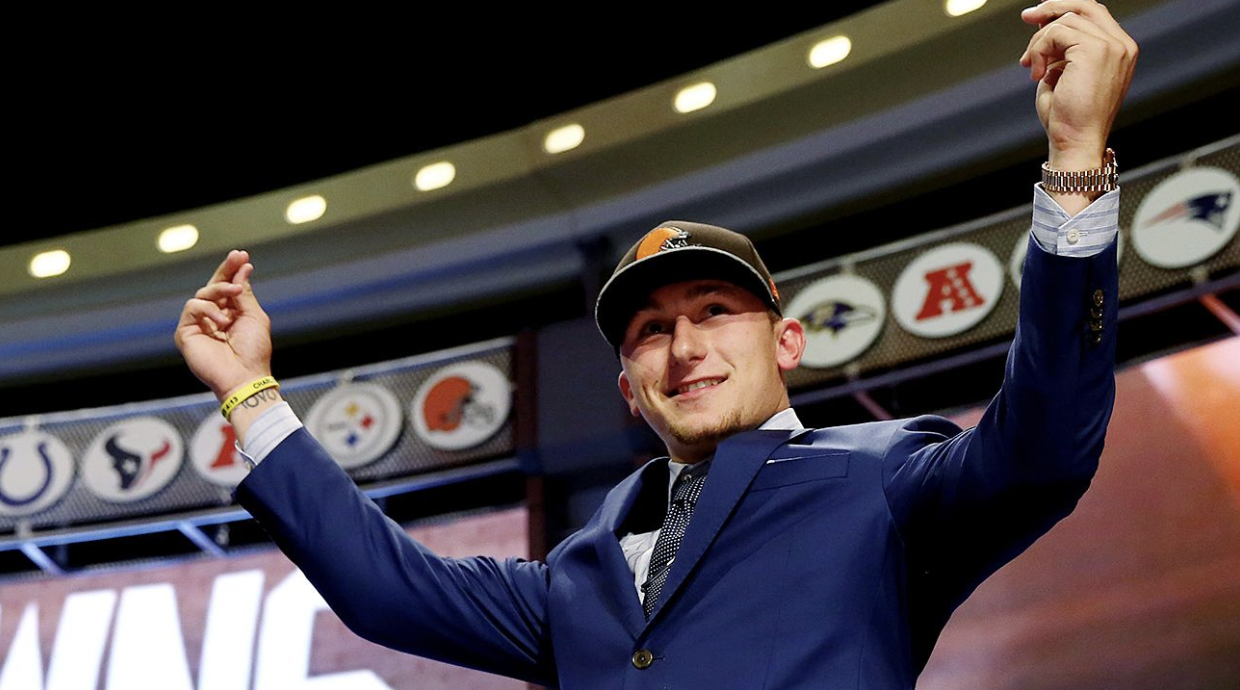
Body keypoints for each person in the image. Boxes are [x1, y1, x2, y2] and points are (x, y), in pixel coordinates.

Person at [174, 2, 1137, 687]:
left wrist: (1076, 164)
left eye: (714, 311)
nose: (684, 346)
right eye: (651, 331)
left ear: (787, 341)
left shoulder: (882, 479)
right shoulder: (579, 570)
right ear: (629, 389)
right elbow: (389, 592)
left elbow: (1046, 444)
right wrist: (251, 393)